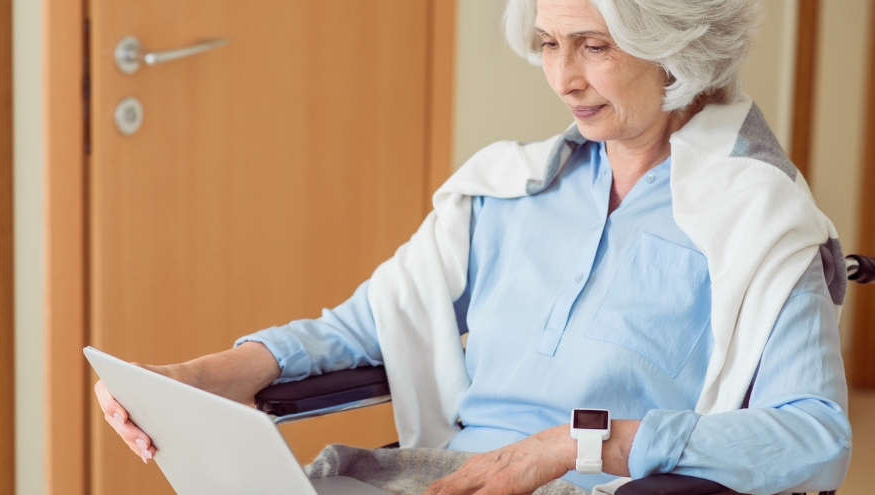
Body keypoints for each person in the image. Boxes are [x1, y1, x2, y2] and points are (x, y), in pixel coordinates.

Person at [95, 0, 853, 493]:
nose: (562, 77)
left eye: (593, 46)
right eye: (550, 44)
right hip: (443, 479)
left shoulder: (761, 221)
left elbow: (815, 437)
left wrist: (573, 445)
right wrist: (192, 379)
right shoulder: (505, 190)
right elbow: (361, 327)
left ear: (678, 49)